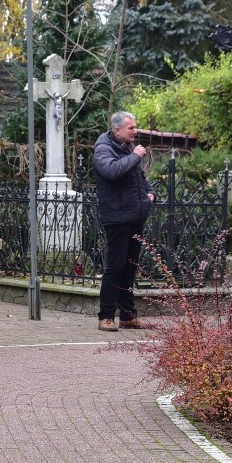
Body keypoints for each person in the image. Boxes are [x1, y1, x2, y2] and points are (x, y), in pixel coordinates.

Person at [93, 111, 155, 332]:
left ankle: (128, 316)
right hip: (117, 217)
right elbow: (111, 171)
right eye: (131, 128)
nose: (135, 131)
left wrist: (150, 195)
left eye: (135, 127)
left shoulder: (128, 149)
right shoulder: (104, 149)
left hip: (135, 215)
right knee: (115, 268)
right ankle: (106, 316)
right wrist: (135, 156)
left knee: (130, 268)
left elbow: (141, 179)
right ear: (117, 129)